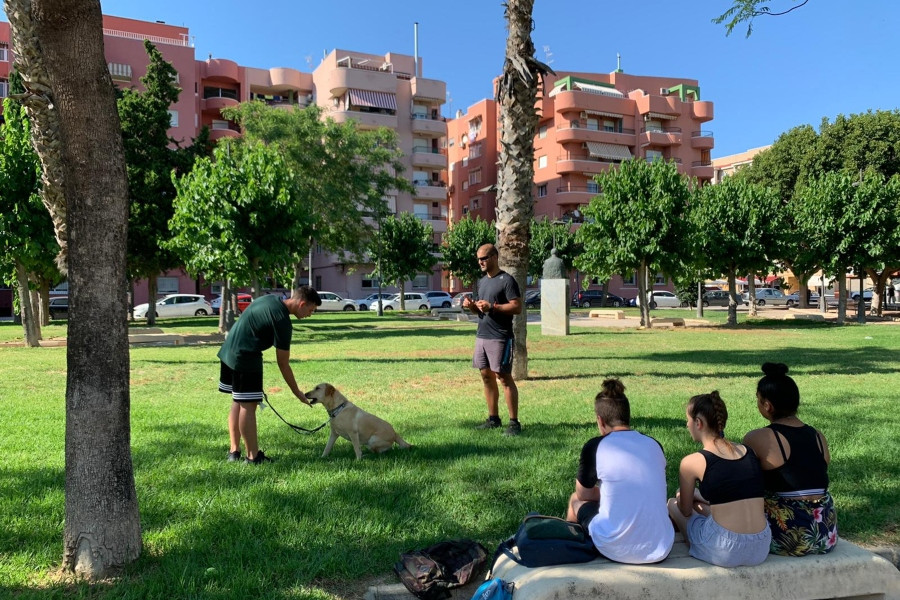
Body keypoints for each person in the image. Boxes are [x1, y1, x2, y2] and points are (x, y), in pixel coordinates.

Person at [566, 379, 674, 564]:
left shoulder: (595, 446)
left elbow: (583, 494)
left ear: (600, 420)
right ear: (627, 417)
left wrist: (612, 492)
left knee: (575, 500)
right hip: (661, 546)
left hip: (615, 547)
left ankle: (569, 547)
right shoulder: (654, 444)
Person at [217, 286, 321, 464]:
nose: (310, 315)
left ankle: (234, 452)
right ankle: (253, 457)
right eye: (311, 310)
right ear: (302, 304)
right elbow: (283, 364)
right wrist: (297, 392)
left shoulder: (269, 299)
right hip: (245, 357)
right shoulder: (282, 321)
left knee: (238, 401)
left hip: (228, 350)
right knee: (248, 405)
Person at [742, 362, 838, 556]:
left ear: (767, 405)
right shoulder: (818, 436)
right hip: (825, 534)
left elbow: (744, 481)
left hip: (786, 537)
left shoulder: (758, 438)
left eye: (758, 399)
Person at [667, 391, 770, 567]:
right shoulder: (748, 451)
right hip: (761, 545)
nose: (686, 424)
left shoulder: (692, 462)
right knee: (700, 505)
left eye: (688, 420)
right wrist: (699, 498)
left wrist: (679, 497)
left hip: (725, 550)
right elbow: (732, 494)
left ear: (698, 423)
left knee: (672, 504)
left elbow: (685, 510)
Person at [462, 243, 523, 435]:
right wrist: (471, 306)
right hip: (482, 335)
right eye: (478, 259)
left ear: (495, 257)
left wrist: (493, 307)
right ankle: (493, 419)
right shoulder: (481, 282)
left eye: (484, 258)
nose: (480, 262)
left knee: (503, 377)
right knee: (486, 376)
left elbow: (517, 307)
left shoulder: (507, 280)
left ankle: (514, 423)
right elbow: (481, 310)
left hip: (500, 337)